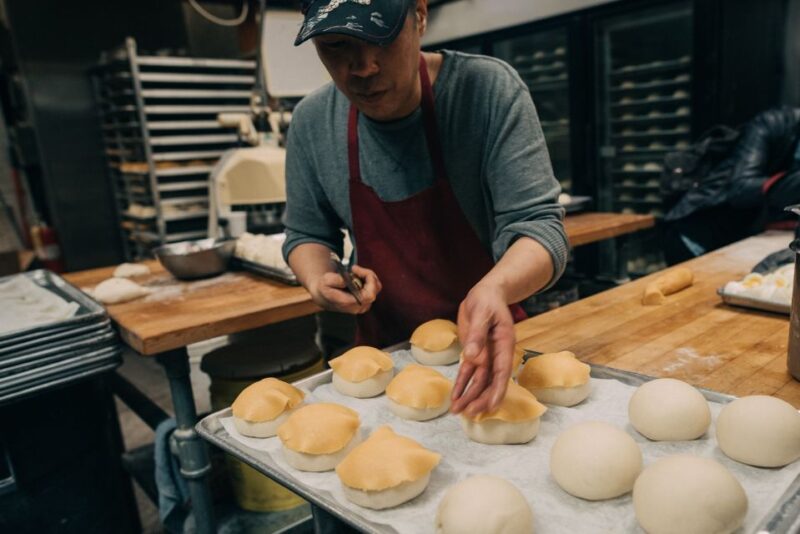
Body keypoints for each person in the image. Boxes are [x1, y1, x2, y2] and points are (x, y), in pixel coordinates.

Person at [282, 0, 568, 420]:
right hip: (383, 363)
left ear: (418, 16)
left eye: (381, 38)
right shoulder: (312, 123)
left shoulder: (485, 91)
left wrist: (496, 289)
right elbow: (306, 235)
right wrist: (318, 279)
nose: (363, 67)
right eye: (336, 45)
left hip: (489, 348)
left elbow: (540, 228)